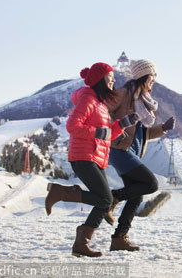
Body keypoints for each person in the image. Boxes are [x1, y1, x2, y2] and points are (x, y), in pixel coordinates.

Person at [44, 62, 139, 257]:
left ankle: (80, 242)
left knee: (105, 200)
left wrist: (123, 123)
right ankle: (62, 195)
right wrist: (98, 131)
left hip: (95, 157)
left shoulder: (100, 104)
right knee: (105, 200)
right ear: (100, 80)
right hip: (83, 155)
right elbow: (72, 126)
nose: (113, 80)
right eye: (110, 77)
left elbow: (107, 134)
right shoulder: (88, 100)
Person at [105, 59, 175, 252]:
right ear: (144, 75)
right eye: (153, 75)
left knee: (136, 196)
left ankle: (119, 238)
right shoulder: (124, 94)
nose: (154, 79)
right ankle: (113, 197)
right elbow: (103, 113)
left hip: (132, 151)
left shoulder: (143, 101)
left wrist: (163, 129)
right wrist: (112, 130)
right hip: (119, 150)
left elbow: (143, 134)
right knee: (151, 184)